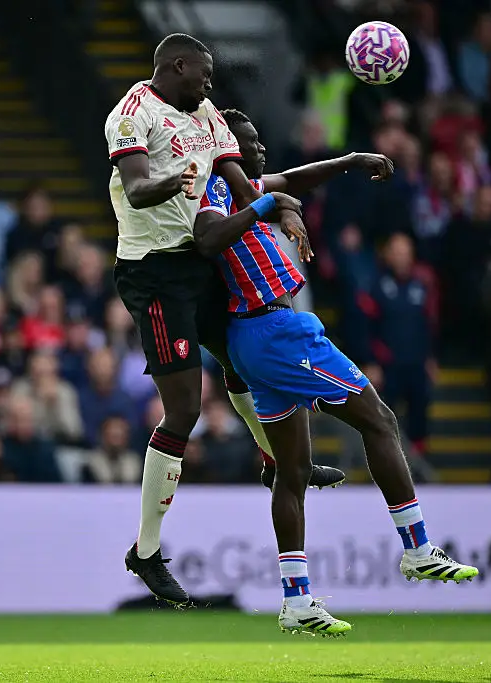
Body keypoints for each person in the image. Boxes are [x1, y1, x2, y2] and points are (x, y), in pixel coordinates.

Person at [193, 109, 479, 636]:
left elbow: (295, 180)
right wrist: (266, 204)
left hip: (256, 337)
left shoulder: (242, 183)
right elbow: (208, 238)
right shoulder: (214, 186)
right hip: (277, 331)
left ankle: (296, 600)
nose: (261, 150)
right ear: (229, 146)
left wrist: (349, 160)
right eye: (251, 142)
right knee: (380, 421)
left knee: (292, 470)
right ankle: (416, 548)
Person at [104, 33, 344, 605]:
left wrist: (278, 208)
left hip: (198, 258)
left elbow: (242, 187)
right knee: (185, 407)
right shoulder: (132, 114)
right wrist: (174, 180)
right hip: (154, 273)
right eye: (203, 74)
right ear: (177, 66)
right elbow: (138, 190)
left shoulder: (207, 114)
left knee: (245, 359)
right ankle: (146, 552)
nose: (210, 84)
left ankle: (278, 460)